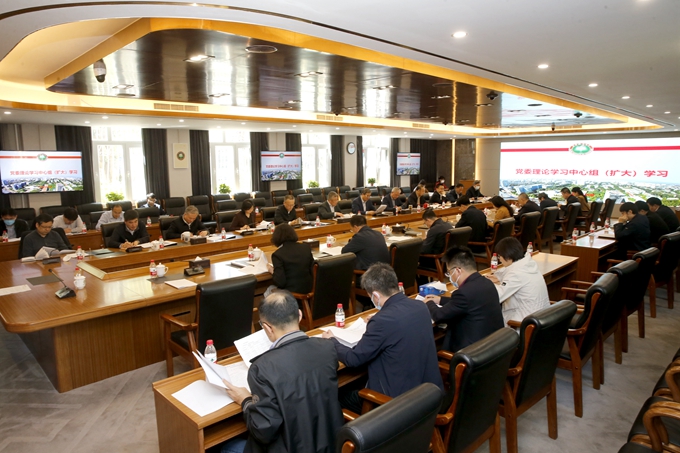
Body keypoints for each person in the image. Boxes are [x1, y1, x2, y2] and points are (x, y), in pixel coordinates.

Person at [222, 291, 343, 453]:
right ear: (299, 315)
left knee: (227, 447)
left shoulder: (261, 368)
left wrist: (245, 401)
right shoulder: (327, 347)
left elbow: (264, 432)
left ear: (267, 327)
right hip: (330, 443)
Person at [322, 263, 443, 413]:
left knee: (336, 396)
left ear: (376, 296)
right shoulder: (420, 306)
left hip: (395, 404)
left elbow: (354, 359)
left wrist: (332, 341)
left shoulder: (382, 321)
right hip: (427, 393)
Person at [422, 246, 504, 352]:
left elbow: (439, 316)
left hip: (472, 351)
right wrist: (440, 300)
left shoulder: (464, 293)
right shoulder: (487, 283)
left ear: (458, 271)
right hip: (493, 345)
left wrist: (428, 302)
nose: (450, 277)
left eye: (449, 272)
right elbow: (466, 302)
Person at [485, 237, 549, 324]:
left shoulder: (516, 274)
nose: (499, 259)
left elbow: (497, 295)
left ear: (507, 256)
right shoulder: (528, 265)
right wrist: (499, 278)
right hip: (541, 318)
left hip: (523, 324)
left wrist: (487, 283)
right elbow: (508, 272)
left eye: (500, 256)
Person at [265, 224, 314, 295]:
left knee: (268, 290)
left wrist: (272, 271)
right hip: (309, 289)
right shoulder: (306, 248)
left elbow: (280, 282)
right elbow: (312, 270)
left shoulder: (278, 254)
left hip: (290, 294)